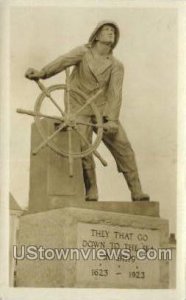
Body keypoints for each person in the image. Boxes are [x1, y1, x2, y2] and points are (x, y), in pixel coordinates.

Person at [25, 20, 150, 202]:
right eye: (106, 30)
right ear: (96, 35)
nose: (110, 33)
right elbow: (62, 61)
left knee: (124, 147)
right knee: (84, 149)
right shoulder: (83, 52)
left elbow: (115, 93)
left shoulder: (116, 66)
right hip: (78, 105)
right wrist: (42, 73)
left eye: (113, 32)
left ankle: (136, 190)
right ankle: (91, 189)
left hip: (101, 110)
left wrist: (112, 120)